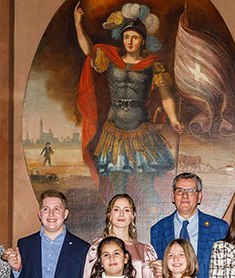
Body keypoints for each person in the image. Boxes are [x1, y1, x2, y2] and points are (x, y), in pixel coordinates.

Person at [74, 2, 183, 201]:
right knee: (118, 187)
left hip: (141, 128)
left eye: (134, 37)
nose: (130, 42)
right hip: (114, 130)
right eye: (126, 37)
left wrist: (174, 119)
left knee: (147, 186)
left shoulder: (153, 65)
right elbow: (89, 51)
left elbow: (166, 96)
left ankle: (152, 217)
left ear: (143, 41)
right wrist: (78, 25)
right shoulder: (111, 59)